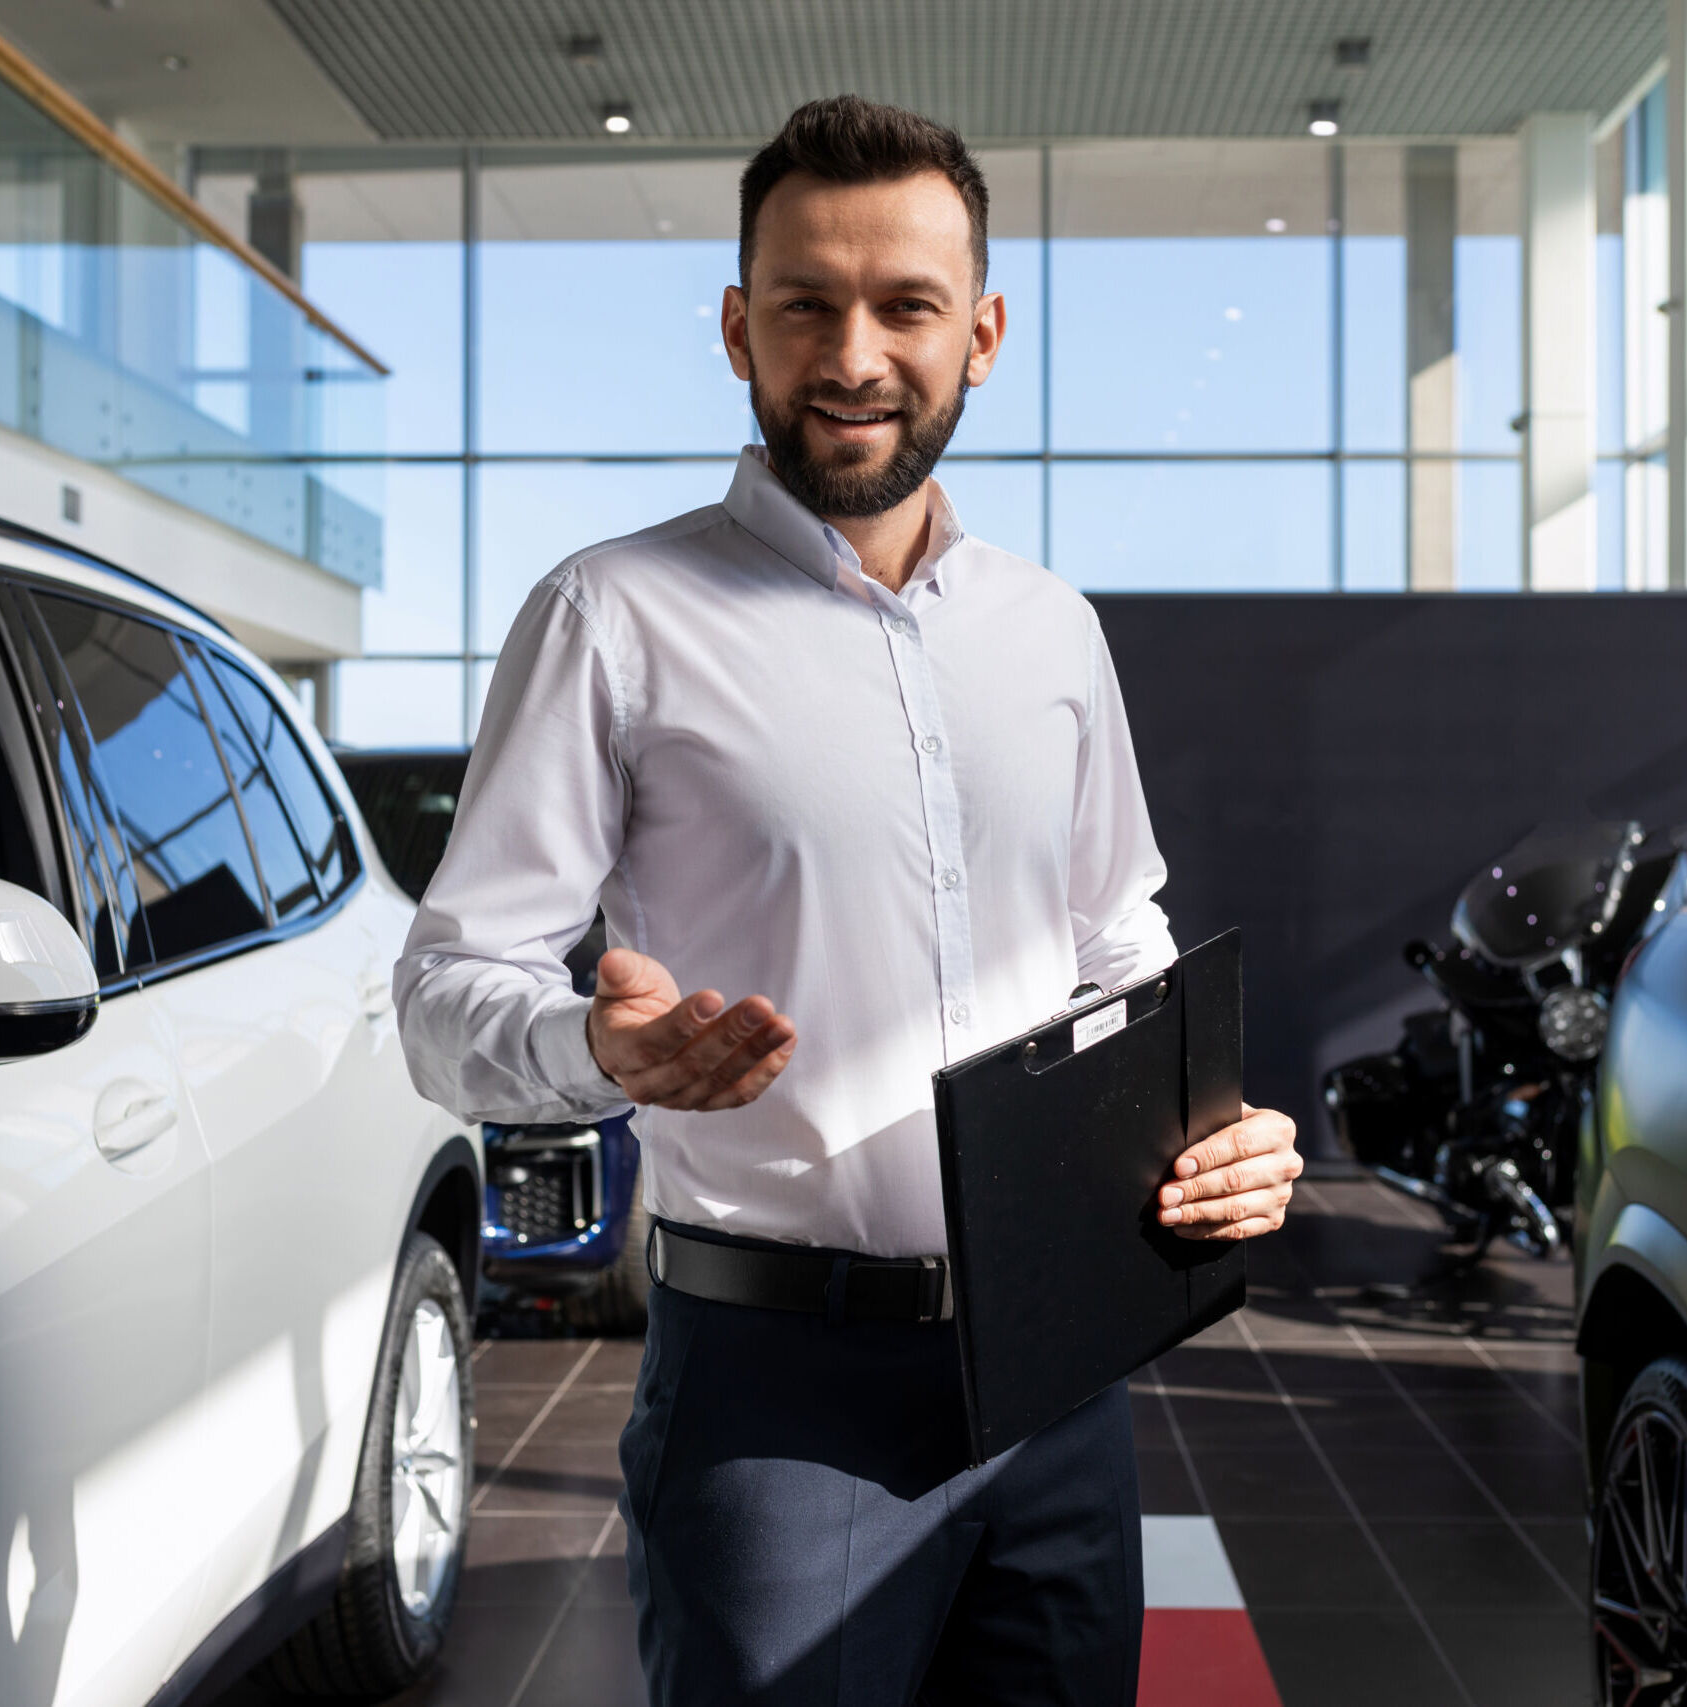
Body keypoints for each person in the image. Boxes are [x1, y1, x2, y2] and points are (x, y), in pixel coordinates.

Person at [395, 93, 1302, 1707]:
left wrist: (1207, 1118)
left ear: (984, 331)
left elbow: (1115, 943)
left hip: (1058, 1369)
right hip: (774, 1394)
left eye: (906, 306)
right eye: (805, 304)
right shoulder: (610, 614)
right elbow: (446, 994)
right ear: (739, 327)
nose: (854, 354)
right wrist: (606, 1055)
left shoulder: (1049, 630)